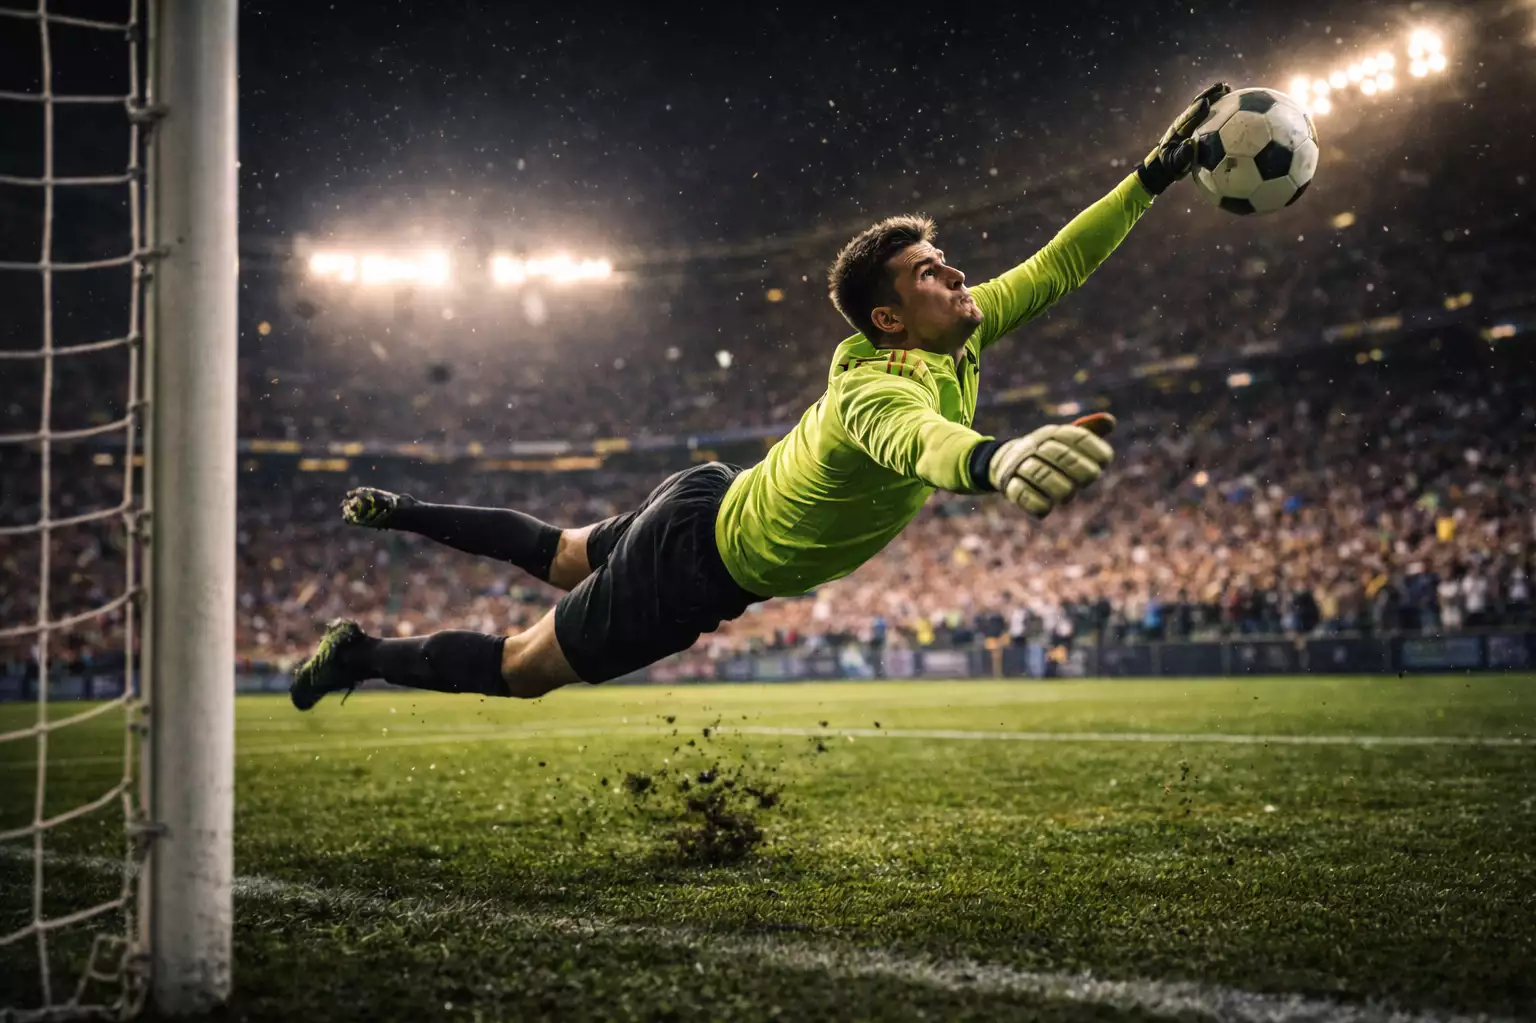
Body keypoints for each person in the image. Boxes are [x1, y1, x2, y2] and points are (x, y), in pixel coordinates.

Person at [288, 83, 1231, 710]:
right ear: (890, 321)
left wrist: (1150, 179)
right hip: (704, 560)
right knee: (521, 668)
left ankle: (401, 510)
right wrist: (996, 458)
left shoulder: (960, 333)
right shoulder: (875, 391)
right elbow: (921, 444)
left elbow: (1058, 266)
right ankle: (361, 652)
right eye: (930, 272)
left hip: (708, 498)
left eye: (947, 263)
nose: (958, 274)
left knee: (564, 553)